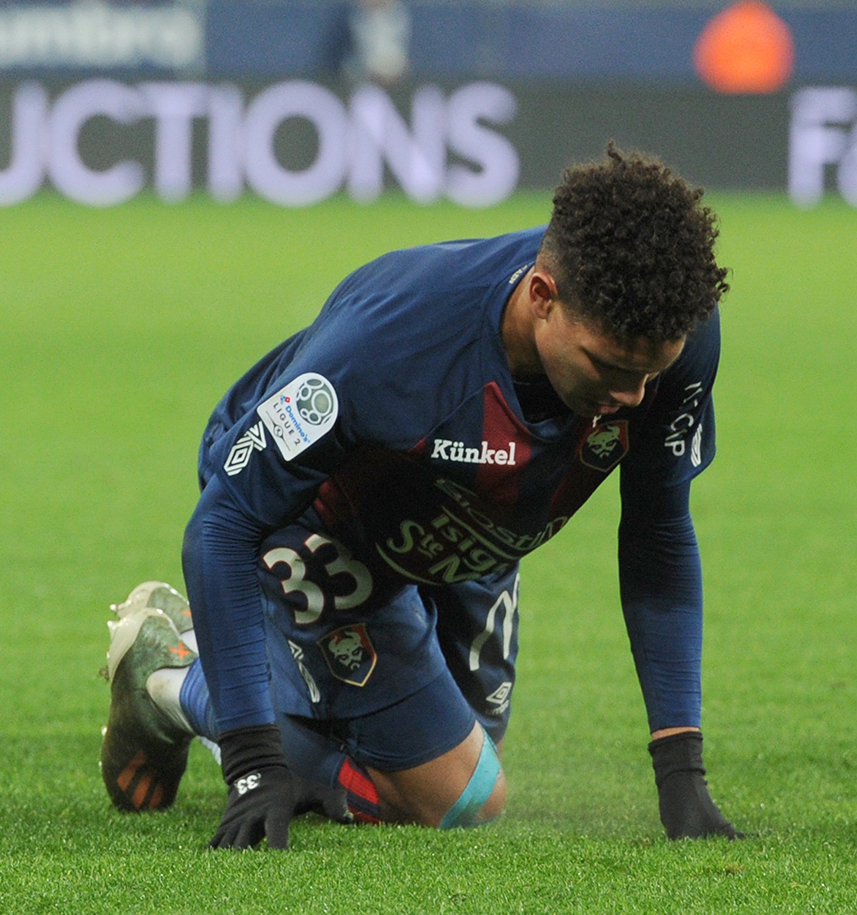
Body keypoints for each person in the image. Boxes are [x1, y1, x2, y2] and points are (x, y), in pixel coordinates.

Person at [100, 144, 742, 848]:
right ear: (541, 298)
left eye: (653, 373)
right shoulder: (393, 345)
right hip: (318, 512)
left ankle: (271, 671)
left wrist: (681, 770)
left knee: (454, 746)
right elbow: (220, 523)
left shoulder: (665, 335)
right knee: (462, 793)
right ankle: (170, 675)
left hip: (470, 523)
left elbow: (658, 535)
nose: (632, 399)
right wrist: (254, 762)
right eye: (609, 367)